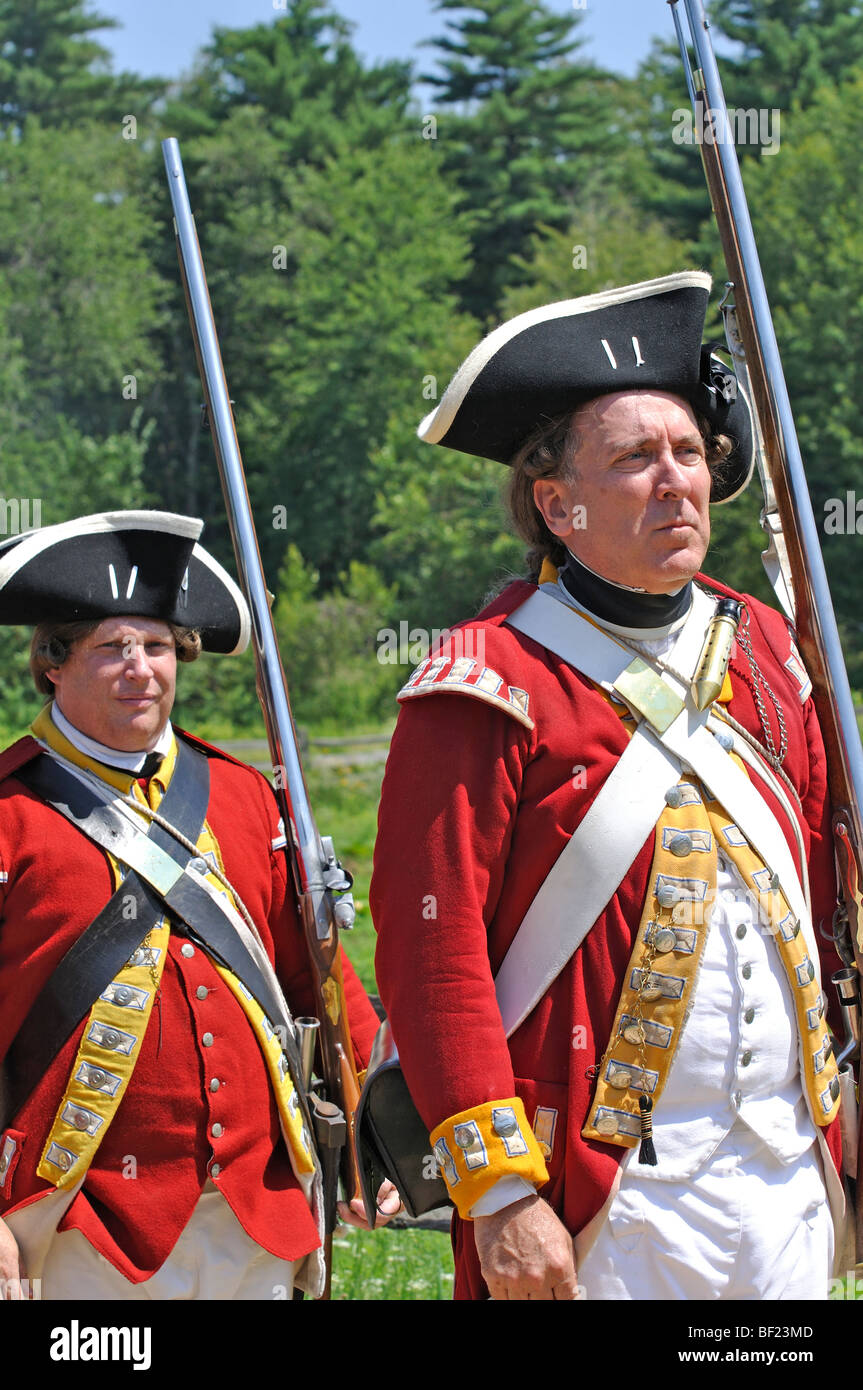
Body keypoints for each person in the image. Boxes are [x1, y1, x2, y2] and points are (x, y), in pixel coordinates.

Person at [370, 272, 849, 1301]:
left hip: (781, 1173)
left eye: (688, 452)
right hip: (601, 1194)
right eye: (635, 458)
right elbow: (431, 946)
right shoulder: (484, 679)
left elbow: (827, 896)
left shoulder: (767, 648)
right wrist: (497, 1192)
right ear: (556, 503)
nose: (676, 480)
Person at [0, 509, 392, 1301]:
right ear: (52, 664)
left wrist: (377, 1126)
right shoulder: (8, 813)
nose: (140, 668)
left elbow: (316, 973)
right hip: (78, 1222)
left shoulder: (245, 797)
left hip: (260, 1211)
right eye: (110, 647)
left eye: (155, 645)